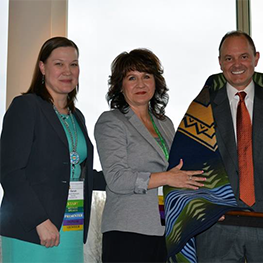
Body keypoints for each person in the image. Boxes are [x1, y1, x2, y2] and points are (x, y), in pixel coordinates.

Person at [164, 31, 263, 263]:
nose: (236, 64)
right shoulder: (201, 110)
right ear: (220, 62)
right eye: (229, 58)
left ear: (256, 58)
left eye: (244, 56)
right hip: (216, 232)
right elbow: (182, 173)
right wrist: (204, 211)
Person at [0, 37, 106, 263]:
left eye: (74, 64)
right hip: (34, 230)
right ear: (42, 68)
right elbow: (10, 171)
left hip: (71, 227)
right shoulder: (26, 106)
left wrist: (137, 179)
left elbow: (76, 171)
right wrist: (39, 220)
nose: (68, 71)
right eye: (59, 64)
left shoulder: (77, 117)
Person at [94, 48, 205, 263]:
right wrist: (166, 177)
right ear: (120, 85)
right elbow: (117, 178)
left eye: (146, 76)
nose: (141, 84)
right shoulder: (111, 121)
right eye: (131, 78)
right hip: (128, 231)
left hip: (166, 229)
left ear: (156, 82)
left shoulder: (165, 123)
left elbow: (180, 172)